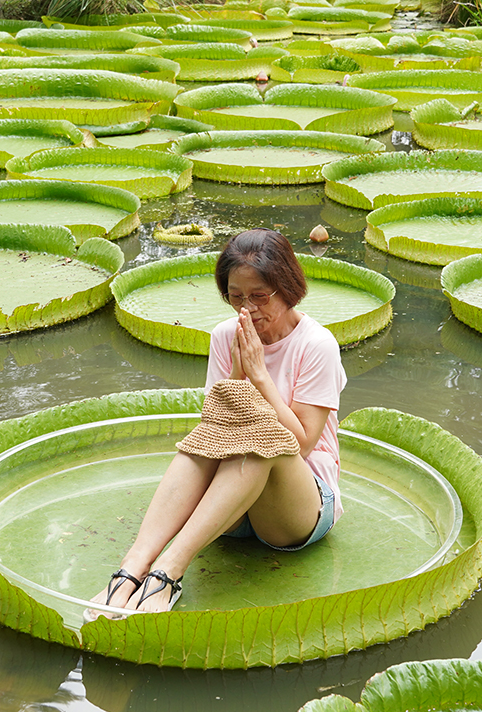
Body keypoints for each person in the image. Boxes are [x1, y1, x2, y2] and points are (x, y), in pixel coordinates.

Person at [87, 228, 347, 617]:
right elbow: (217, 428)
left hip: (297, 504)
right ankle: (132, 569)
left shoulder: (316, 345)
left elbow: (303, 443)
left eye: (260, 296)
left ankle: (169, 573)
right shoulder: (226, 336)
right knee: (204, 441)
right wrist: (237, 378)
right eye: (236, 296)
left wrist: (258, 377)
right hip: (234, 508)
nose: (248, 309)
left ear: (288, 287)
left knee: (265, 443)